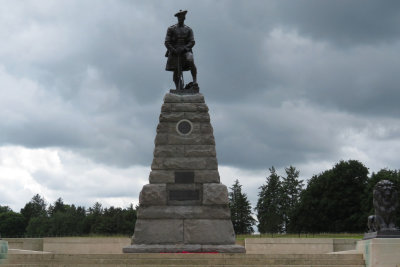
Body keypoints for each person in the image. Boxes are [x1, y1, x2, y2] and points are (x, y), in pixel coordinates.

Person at [165, 10, 197, 90]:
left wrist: (185, 48)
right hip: (174, 51)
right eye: (179, 17)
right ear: (177, 18)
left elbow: (192, 42)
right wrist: (173, 50)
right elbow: (167, 42)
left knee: (190, 58)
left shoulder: (189, 29)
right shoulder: (171, 29)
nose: (181, 18)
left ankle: (194, 81)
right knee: (176, 70)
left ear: (184, 18)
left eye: (182, 17)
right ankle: (178, 88)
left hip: (186, 50)